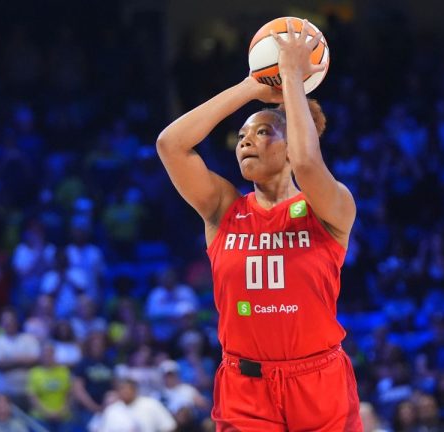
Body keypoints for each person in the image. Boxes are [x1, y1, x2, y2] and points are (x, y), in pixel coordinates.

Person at [156, 19, 361, 431]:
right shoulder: (223, 207)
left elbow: (306, 163)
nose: (246, 141)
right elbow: (171, 144)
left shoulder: (330, 206)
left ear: (291, 144)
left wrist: (290, 80)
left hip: (319, 382)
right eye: (243, 135)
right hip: (245, 387)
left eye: (264, 132)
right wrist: (252, 86)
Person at [97, 378, 176, 432]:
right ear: (117, 391)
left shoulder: (151, 404)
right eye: (122, 389)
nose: (125, 392)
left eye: (128, 389)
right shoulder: (112, 410)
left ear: (135, 390)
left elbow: (169, 426)